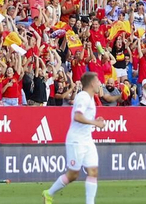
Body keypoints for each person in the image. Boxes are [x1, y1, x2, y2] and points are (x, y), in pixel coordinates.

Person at [43, 72, 104, 204]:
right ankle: (49, 193)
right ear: (92, 83)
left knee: (93, 171)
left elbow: (84, 117)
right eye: (98, 81)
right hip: (76, 141)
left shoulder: (90, 97)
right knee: (73, 175)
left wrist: (95, 120)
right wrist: (95, 123)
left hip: (87, 140)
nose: (100, 84)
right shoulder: (83, 97)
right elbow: (77, 116)